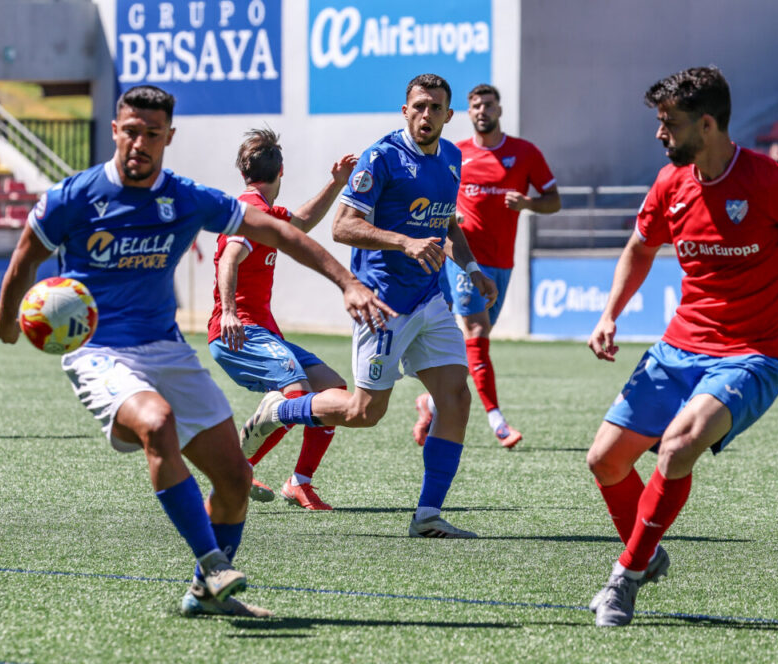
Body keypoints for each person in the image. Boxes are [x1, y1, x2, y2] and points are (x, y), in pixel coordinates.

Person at [0, 86, 393, 618]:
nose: (140, 143)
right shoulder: (73, 197)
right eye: (131, 132)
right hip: (100, 350)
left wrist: (347, 282)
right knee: (157, 423)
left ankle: (205, 594)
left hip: (168, 350)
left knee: (234, 479)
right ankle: (213, 563)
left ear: (168, 138)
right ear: (115, 131)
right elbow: (25, 257)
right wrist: (6, 321)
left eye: (152, 134)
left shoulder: (184, 197)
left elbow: (282, 233)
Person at [584, 67, 778, 627]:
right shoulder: (670, 184)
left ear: (707, 124)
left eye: (670, 123)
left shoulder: (775, 184)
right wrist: (610, 313)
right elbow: (640, 248)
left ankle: (625, 577)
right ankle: (647, 552)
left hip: (751, 356)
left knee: (677, 447)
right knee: (605, 461)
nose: (660, 133)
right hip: (678, 349)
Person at [238, 74, 498, 539]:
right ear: (405, 110)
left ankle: (427, 516)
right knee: (364, 412)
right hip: (382, 302)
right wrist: (404, 242)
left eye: (435, 107)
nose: (426, 114)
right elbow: (342, 226)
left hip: (430, 299)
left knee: (456, 398)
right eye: (418, 106)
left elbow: (446, 222)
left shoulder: (452, 157)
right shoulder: (382, 158)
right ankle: (278, 411)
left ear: (448, 115)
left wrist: (472, 268)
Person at [208, 127, 356, 510]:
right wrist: (229, 312)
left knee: (332, 390)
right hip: (237, 332)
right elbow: (228, 259)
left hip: (262, 332)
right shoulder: (250, 212)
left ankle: (299, 483)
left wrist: (336, 183)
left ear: (244, 171)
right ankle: (238, 469)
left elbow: (301, 221)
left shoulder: (265, 212)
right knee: (298, 396)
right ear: (281, 170)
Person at [414, 84, 561, 449]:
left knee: (475, 342)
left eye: (488, 105)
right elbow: (433, 196)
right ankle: (498, 420)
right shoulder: (454, 153)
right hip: (464, 260)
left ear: (499, 110)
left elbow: (553, 200)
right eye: (476, 105)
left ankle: (429, 403)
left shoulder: (525, 153)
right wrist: (450, 216)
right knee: (476, 331)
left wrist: (528, 203)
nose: (482, 111)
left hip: (502, 262)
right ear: (469, 112)